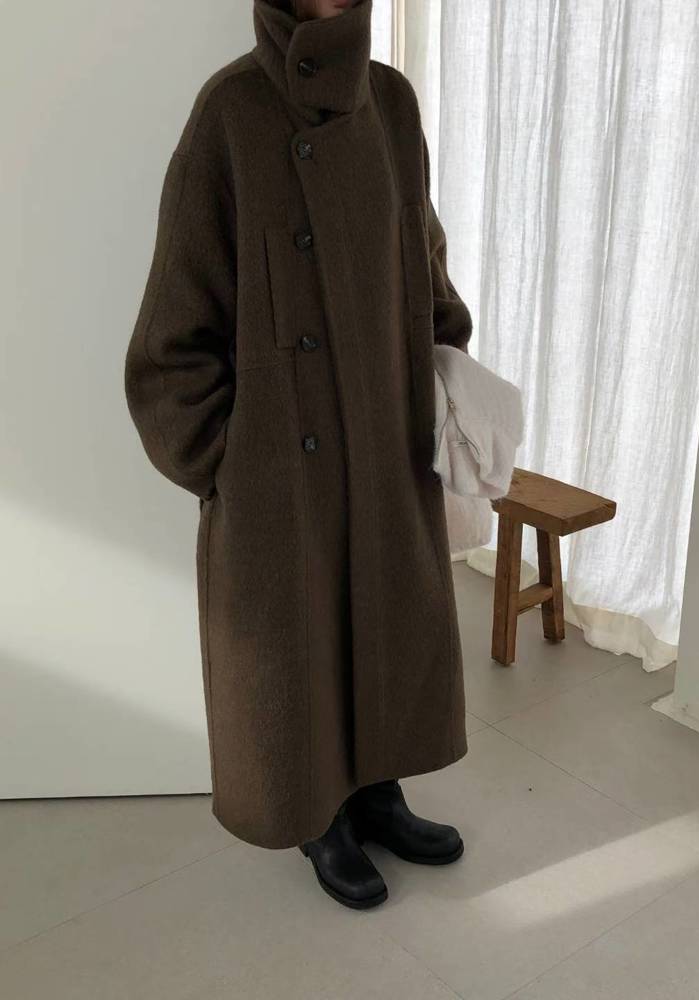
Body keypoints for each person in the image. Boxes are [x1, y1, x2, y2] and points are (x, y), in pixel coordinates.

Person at [124, 0, 473, 910]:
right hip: (282, 465)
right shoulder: (230, 113)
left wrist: (446, 349)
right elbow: (171, 337)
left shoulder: (391, 103)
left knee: (387, 620)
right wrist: (230, 463)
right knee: (300, 650)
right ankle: (323, 817)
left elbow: (421, 249)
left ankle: (380, 790)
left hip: (388, 435)